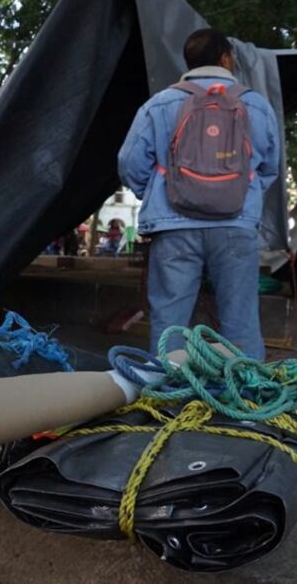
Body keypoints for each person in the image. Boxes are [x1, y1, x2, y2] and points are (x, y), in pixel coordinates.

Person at [118, 28, 280, 360]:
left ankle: (170, 384)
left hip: (174, 227)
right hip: (235, 225)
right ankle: (244, 387)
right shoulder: (256, 105)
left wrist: (159, 193)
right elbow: (269, 167)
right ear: (226, 58)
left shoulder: (159, 104)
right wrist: (239, 194)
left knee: (170, 319)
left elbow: (129, 162)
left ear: (188, 62)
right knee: (240, 318)